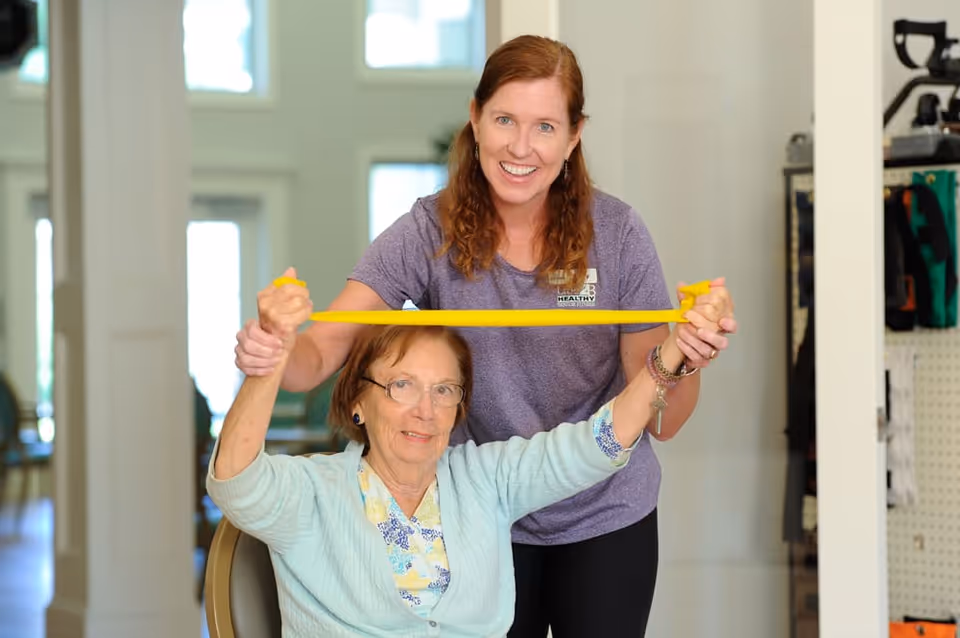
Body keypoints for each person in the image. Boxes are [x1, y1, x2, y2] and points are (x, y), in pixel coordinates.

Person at [234, 34, 738, 637]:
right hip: (485, 515)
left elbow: (664, 419)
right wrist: (276, 343)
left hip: (605, 512)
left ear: (575, 135)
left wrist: (689, 355)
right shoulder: (427, 230)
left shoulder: (619, 234)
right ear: (475, 120)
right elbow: (318, 356)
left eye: (546, 126)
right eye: (504, 119)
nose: (521, 147)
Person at [208, 280, 731, 637]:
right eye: (402, 386)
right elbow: (235, 481)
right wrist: (270, 360)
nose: (425, 411)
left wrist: (673, 355)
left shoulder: (483, 479)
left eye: (444, 391)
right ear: (357, 402)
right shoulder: (313, 494)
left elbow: (593, 445)